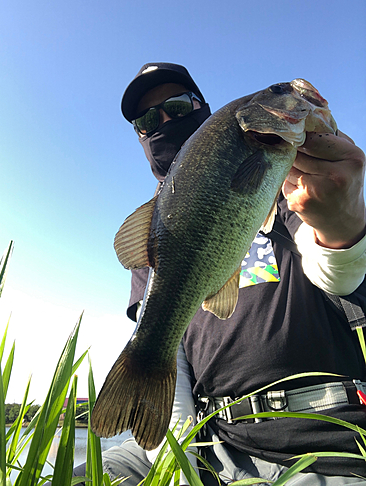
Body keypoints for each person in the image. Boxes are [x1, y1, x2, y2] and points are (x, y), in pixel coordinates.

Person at [71, 63, 366, 485]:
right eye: (148, 120)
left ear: (204, 110)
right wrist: (178, 466)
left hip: (316, 440)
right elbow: (169, 357)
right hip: (206, 439)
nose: (164, 121)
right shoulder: (155, 235)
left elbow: (338, 271)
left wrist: (343, 225)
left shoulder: (294, 189)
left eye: (176, 106)